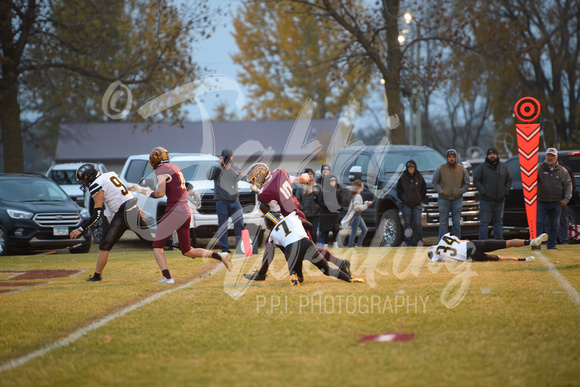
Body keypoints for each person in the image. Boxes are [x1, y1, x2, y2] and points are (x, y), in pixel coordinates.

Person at [129, 147, 232, 283]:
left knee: (157, 246)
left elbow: (160, 193)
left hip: (174, 211)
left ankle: (167, 277)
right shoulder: (174, 167)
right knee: (187, 250)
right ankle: (220, 256)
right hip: (185, 211)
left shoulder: (162, 169)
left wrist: (139, 190)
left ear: (154, 161)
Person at [243, 163, 351, 281]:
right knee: (273, 244)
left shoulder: (264, 193)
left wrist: (262, 201)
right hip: (297, 214)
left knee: (308, 248)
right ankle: (262, 273)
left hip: (288, 219)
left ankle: (341, 263)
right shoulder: (280, 172)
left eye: (254, 179)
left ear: (260, 175)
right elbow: (300, 180)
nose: (254, 182)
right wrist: (305, 177)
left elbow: (276, 211)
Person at [71, 164, 164, 282]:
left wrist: (80, 229)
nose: (83, 184)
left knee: (105, 245)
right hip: (131, 210)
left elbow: (96, 215)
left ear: (90, 177)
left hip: (122, 215)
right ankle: (178, 244)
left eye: (84, 181)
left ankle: (97, 276)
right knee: (151, 241)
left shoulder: (96, 185)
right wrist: (136, 208)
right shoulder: (110, 175)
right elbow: (123, 194)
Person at [261, 205, 364, 286]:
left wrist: (293, 264)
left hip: (291, 250)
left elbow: (285, 251)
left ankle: (294, 274)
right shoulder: (292, 216)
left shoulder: (272, 235)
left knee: (299, 276)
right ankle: (350, 280)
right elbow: (309, 225)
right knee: (327, 270)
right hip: (306, 243)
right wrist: (299, 223)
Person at [206, 148, 244, 254]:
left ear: (232, 157)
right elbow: (209, 177)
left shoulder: (235, 167)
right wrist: (219, 165)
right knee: (223, 225)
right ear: (221, 157)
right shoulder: (216, 168)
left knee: (239, 224)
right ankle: (225, 249)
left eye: (229, 157)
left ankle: (240, 248)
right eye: (226, 157)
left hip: (235, 201)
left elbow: (238, 178)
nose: (228, 159)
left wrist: (229, 168)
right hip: (221, 201)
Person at [535, 148, 572, 250]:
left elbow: (568, 184)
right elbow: (530, 181)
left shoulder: (562, 170)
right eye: (548, 155)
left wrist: (566, 199)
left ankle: (551, 245)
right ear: (546, 156)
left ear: (556, 157)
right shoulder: (538, 167)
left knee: (555, 225)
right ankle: (536, 244)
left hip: (556, 202)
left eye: (552, 156)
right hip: (541, 201)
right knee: (539, 224)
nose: (550, 157)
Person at [473, 148, 512, 240]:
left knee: (498, 222)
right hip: (486, 200)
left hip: (500, 200)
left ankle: (499, 240)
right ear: (487, 156)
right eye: (490, 154)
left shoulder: (503, 166)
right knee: (484, 222)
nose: (492, 156)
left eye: (494, 154)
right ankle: (483, 241)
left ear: (497, 155)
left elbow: (509, 179)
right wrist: (483, 191)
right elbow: (476, 179)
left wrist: (505, 192)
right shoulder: (482, 167)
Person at [427, 232, 548, 262]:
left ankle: (524, 259)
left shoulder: (439, 256)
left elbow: (449, 261)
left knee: (499, 258)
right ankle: (530, 242)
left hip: (472, 256)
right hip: (473, 244)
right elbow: (458, 239)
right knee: (506, 243)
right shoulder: (444, 238)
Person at [432, 149, 470, 239]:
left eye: (453, 157)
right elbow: (434, 182)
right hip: (443, 199)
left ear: (456, 158)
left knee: (456, 222)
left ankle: (456, 241)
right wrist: (441, 191)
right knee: (443, 222)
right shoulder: (441, 168)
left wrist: (460, 191)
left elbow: (467, 183)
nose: (451, 159)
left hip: (457, 199)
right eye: (449, 157)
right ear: (447, 158)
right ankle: (442, 241)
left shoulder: (462, 168)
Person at [396, 160, 427, 246]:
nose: (411, 169)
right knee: (408, 224)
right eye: (409, 167)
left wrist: (420, 198)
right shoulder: (402, 177)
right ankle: (408, 242)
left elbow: (424, 189)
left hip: (417, 204)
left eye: (412, 167)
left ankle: (419, 241)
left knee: (417, 224)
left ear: (415, 167)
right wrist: (404, 198)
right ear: (407, 168)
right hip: (407, 205)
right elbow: (398, 190)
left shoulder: (419, 176)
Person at [341, 180, 373, 248]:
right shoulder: (357, 196)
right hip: (356, 215)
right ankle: (351, 246)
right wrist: (366, 205)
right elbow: (357, 207)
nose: (363, 186)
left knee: (364, 229)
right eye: (362, 185)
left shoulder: (355, 195)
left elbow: (356, 206)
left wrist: (365, 204)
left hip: (357, 215)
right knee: (354, 231)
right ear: (359, 187)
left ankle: (358, 245)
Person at [294, 167, 321, 244]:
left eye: (311, 174)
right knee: (305, 231)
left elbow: (321, 199)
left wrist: (318, 207)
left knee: (314, 231)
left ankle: (315, 245)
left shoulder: (318, 186)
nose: (310, 176)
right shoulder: (300, 187)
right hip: (305, 213)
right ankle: (307, 246)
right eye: (308, 174)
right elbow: (297, 199)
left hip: (315, 213)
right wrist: (302, 209)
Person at [317, 174, 343, 248]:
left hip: (335, 215)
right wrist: (328, 205)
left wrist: (339, 207)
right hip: (326, 214)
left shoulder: (338, 191)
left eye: (334, 181)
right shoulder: (324, 191)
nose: (333, 183)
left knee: (335, 229)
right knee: (326, 230)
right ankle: (325, 244)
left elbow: (341, 202)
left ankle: (335, 243)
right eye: (331, 181)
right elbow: (320, 202)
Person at [557, 158, 576, 245]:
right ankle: (556, 239)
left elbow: (571, 185)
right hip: (550, 199)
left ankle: (563, 239)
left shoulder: (565, 170)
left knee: (562, 221)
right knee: (553, 221)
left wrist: (566, 198)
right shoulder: (546, 169)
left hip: (562, 200)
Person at [185, 182, 202, 248]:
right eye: (191, 189)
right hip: (188, 219)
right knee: (190, 234)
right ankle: (191, 246)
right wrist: (197, 196)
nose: (192, 191)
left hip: (188, 220)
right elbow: (197, 205)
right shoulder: (187, 197)